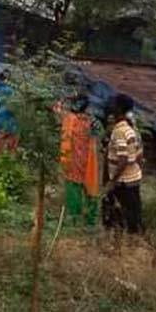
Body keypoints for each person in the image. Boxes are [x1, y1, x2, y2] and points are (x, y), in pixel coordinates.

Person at [103, 94, 143, 234]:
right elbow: (139, 154)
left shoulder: (119, 132)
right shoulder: (131, 129)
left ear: (119, 110)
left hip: (123, 181)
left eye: (114, 105)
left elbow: (123, 159)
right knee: (133, 212)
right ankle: (135, 237)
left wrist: (112, 181)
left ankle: (124, 238)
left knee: (119, 213)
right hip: (133, 178)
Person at [59, 95, 100, 227]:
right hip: (89, 161)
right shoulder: (92, 121)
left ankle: (75, 219)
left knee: (73, 187)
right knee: (90, 188)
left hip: (73, 161)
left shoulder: (70, 119)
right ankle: (90, 220)